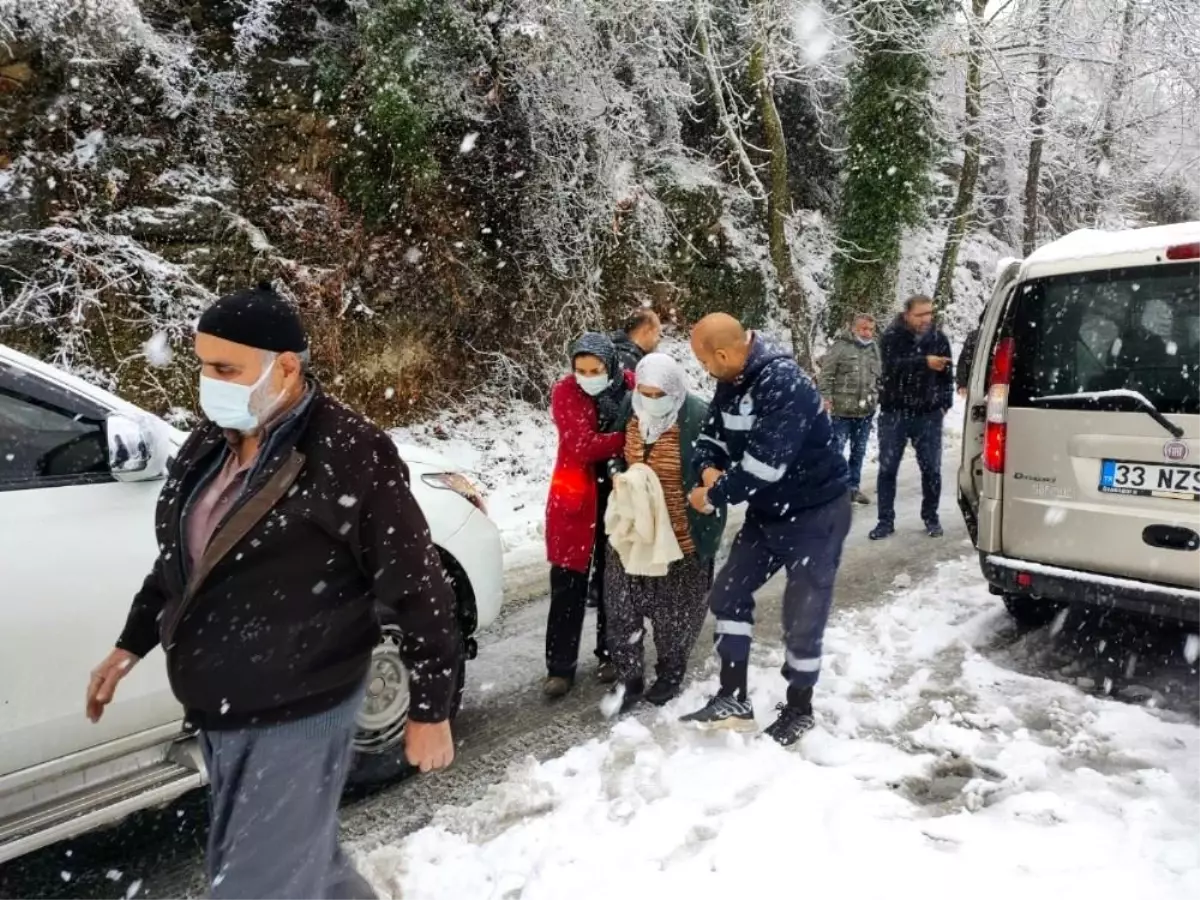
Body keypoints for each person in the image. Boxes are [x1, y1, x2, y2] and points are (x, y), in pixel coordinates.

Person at [85, 284, 459, 900]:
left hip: (299, 706)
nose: (208, 381)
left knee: (253, 885)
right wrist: (130, 644)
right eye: (203, 364)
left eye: (225, 368)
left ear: (285, 365)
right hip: (222, 708)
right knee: (308, 870)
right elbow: (183, 563)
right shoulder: (210, 444)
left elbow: (418, 584)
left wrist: (430, 707)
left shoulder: (350, 451)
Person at [680, 314, 851, 746]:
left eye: (704, 364)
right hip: (767, 513)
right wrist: (706, 468)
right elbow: (711, 438)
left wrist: (711, 495)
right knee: (728, 593)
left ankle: (799, 708)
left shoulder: (784, 383)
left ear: (722, 354)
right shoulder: (731, 379)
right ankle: (733, 698)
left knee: (802, 616)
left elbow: (763, 467)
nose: (705, 372)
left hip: (816, 514)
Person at [602, 353, 726, 711]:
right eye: (645, 392)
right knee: (622, 607)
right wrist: (616, 472)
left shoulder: (700, 417)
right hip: (633, 531)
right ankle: (630, 677)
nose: (651, 401)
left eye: (660, 394)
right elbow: (613, 450)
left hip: (681, 534)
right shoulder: (630, 407)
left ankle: (671, 670)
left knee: (676, 614)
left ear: (674, 391)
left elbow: (717, 471)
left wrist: (708, 491)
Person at [544, 332, 633, 697]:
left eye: (595, 369)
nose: (587, 376)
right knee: (567, 583)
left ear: (609, 365)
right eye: (580, 369)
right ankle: (559, 667)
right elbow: (581, 446)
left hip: (615, 494)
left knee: (613, 580)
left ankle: (611, 653)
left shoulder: (629, 385)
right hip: (575, 498)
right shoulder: (565, 392)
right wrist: (624, 439)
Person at [870, 294, 954, 541]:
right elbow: (891, 368)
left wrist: (945, 403)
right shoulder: (891, 337)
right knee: (887, 470)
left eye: (929, 313)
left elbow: (947, 375)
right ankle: (885, 521)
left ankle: (931, 516)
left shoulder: (938, 338)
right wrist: (923, 362)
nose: (926, 319)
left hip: (928, 414)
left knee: (932, 470)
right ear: (907, 314)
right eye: (920, 314)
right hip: (894, 411)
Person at [817, 312, 882, 505]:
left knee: (858, 451)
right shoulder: (840, 347)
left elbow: (879, 377)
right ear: (854, 328)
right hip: (842, 411)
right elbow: (826, 375)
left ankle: (853, 488)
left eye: (871, 329)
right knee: (836, 451)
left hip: (865, 410)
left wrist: (877, 396)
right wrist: (825, 398)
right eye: (863, 328)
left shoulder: (874, 349)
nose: (867, 333)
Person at [610, 308, 662, 373]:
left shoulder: (616, 353)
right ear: (646, 329)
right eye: (657, 333)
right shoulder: (627, 361)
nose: (659, 339)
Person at [957, 326, 980, 398]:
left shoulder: (973, 336)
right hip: (978, 384)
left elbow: (963, 360)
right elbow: (963, 360)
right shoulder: (974, 336)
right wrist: (962, 383)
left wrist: (962, 383)